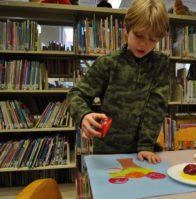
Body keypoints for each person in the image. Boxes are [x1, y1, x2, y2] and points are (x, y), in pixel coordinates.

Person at [67, 0, 169, 164]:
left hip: (143, 151)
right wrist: (83, 115)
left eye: (152, 40)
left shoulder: (161, 64)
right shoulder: (108, 63)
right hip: (107, 153)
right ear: (126, 31)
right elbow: (76, 94)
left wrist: (145, 145)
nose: (144, 44)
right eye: (139, 35)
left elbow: (156, 106)